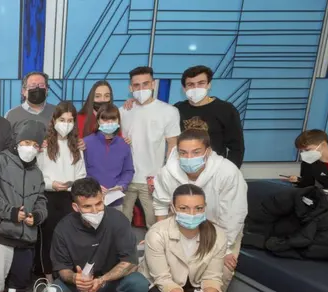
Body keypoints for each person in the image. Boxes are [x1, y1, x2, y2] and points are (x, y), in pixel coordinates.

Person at [153, 125, 247, 288]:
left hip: (221, 230)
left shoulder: (227, 173)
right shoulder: (167, 172)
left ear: (208, 151)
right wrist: (158, 236)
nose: (189, 158)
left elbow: (233, 216)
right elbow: (161, 204)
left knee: (219, 273)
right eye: (183, 153)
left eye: (196, 152)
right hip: (179, 227)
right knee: (173, 274)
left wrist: (224, 249)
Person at [50, 177, 149, 292]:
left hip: (110, 282)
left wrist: (102, 280)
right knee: (54, 291)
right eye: (87, 207)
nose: (95, 211)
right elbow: (62, 269)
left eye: (98, 204)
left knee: (138, 284)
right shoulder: (63, 229)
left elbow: (130, 261)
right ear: (76, 207)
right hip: (78, 285)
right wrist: (75, 278)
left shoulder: (118, 220)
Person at [143, 184, 242, 292]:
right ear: (172, 208)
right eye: (184, 208)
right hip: (163, 287)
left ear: (205, 207)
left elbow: (212, 276)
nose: (192, 214)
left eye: (198, 208)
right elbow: (162, 280)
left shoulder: (217, 235)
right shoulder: (157, 234)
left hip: (195, 288)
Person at [0, 119, 48, 292]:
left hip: (27, 238)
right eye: (26, 142)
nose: (30, 148)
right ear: (17, 141)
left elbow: (41, 199)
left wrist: (38, 215)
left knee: (20, 284)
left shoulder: (38, 173)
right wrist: (9, 212)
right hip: (2, 234)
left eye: (35, 145)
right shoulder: (1, 160)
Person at [119, 66, 180, 227]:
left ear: (153, 84)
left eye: (145, 84)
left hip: (153, 179)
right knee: (121, 222)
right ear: (130, 88)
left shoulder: (169, 111)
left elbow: (173, 144)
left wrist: (167, 174)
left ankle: (155, 252)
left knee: (156, 224)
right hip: (126, 178)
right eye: (136, 85)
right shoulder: (123, 111)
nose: (141, 89)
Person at [35, 101, 86, 280]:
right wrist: (52, 184)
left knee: (69, 239)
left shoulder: (77, 146)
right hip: (48, 197)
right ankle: (48, 279)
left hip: (69, 198)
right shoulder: (44, 145)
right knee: (47, 240)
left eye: (70, 120)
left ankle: (68, 278)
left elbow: (81, 173)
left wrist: (74, 186)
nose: (66, 124)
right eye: (62, 119)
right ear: (54, 120)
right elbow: (38, 174)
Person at [175, 65, 244, 167]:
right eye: (190, 84)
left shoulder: (225, 109)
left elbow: (236, 147)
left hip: (215, 169)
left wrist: (229, 171)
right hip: (184, 167)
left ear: (209, 85)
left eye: (201, 83)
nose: (195, 88)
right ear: (184, 88)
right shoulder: (177, 109)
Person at [83, 104, 134, 208]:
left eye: (113, 119)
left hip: (115, 200)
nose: (109, 123)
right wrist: (94, 186)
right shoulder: (86, 143)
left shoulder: (124, 144)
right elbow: (80, 171)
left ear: (118, 121)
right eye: (105, 119)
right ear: (98, 121)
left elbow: (128, 171)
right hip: (89, 200)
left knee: (115, 224)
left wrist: (121, 186)